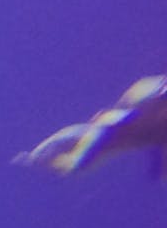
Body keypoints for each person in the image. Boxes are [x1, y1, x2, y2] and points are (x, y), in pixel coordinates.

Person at [17, 74, 167, 178]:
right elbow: (110, 120)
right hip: (108, 131)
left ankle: (34, 161)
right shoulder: (151, 90)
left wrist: (157, 161)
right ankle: (32, 161)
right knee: (74, 162)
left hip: (123, 135)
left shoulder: (153, 92)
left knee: (74, 163)